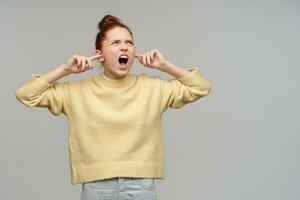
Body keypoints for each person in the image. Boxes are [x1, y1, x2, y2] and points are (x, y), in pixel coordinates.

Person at [15, 15, 212, 200]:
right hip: (96, 186)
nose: (124, 48)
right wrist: (64, 70)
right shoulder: (76, 91)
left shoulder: (153, 88)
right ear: (99, 54)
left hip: (141, 185)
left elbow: (201, 87)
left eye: (129, 43)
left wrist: (165, 65)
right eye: (115, 43)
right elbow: (26, 94)